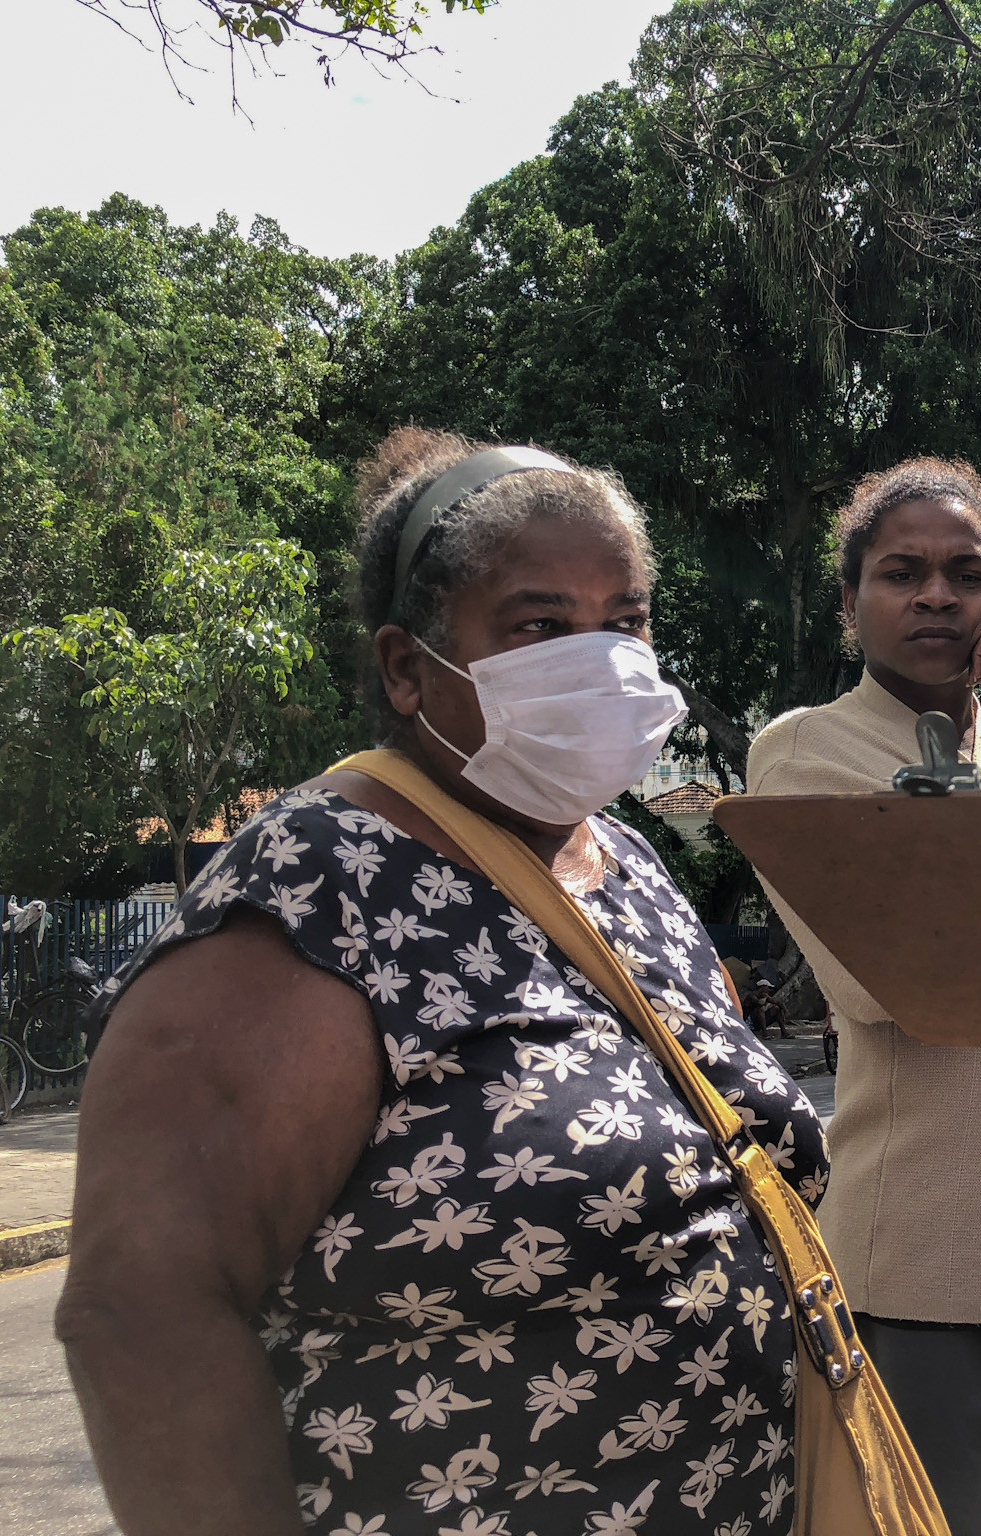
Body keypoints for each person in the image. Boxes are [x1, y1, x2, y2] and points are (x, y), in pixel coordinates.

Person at [57, 427, 828, 1536]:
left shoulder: (624, 862)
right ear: (408, 668)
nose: (601, 659)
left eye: (625, 620)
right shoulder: (318, 888)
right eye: (539, 625)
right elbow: (143, 1310)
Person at [744, 457, 981, 1536]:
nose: (935, 595)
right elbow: (896, 981)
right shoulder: (806, 753)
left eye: (967, 573)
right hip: (920, 1279)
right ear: (849, 603)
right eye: (899, 572)